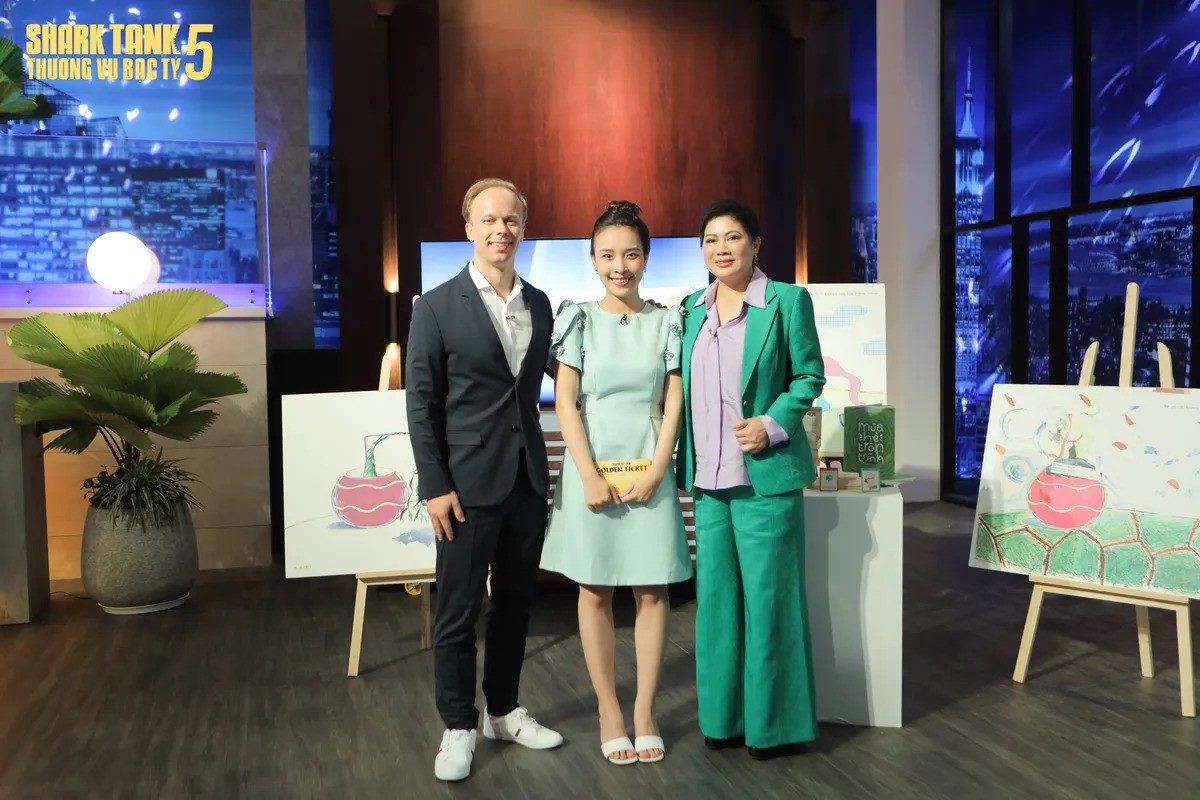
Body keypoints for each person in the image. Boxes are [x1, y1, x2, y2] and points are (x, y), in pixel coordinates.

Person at [405, 178, 563, 783]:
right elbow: (421, 404)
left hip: (527, 479)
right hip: (464, 487)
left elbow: (566, 376)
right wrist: (435, 484)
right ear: (469, 228)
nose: (502, 230)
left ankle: (503, 711)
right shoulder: (435, 307)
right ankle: (457, 725)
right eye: (490, 220)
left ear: (524, 228)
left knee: (516, 606)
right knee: (458, 611)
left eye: (512, 220)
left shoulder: (540, 304)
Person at [539, 201, 693, 766]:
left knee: (653, 591)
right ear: (592, 260)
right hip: (592, 467)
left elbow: (674, 401)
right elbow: (566, 402)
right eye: (607, 255)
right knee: (594, 590)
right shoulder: (577, 319)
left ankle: (645, 711)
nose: (619, 266)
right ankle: (609, 710)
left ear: (646, 258)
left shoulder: (668, 321)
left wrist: (658, 469)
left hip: (650, 466)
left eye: (630, 254)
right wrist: (586, 475)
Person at [675, 198, 826, 760]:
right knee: (715, 605)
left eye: (733, 237)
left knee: (770, 601)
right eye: (711, 240)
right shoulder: (690, 310)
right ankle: (723, 720)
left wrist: (771, 423)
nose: (721, 249)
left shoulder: (787, 301)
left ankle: (774, 728)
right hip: (709, 484)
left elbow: (809, 375)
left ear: (756, 244)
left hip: (765, 479)